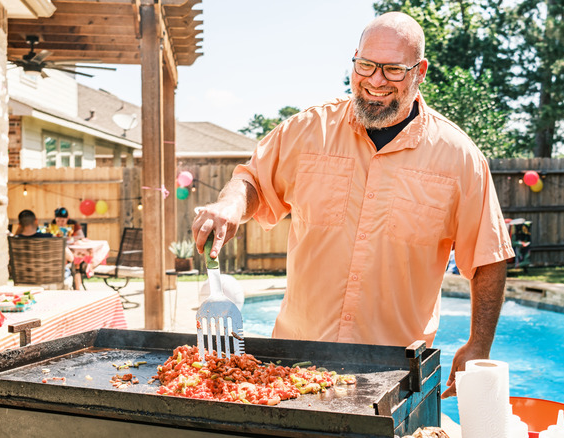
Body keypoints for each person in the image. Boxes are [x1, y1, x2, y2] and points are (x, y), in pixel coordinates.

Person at [191, 12, 514, 399]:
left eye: (393, 69)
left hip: (397, 369)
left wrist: (479, 343)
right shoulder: (307, 130)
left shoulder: (460, 158)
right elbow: (253, 180)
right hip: (294, 360)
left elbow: (489, 256)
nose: (375, 81)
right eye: (366, 65)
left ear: (420, 71)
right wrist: (229, 203)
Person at [15, 209, 83, 290]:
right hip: (52, 279)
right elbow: (70, 258)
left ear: (19, 225)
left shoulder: (15, 241)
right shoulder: (51, 238)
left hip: (24, 279)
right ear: (36, 221)